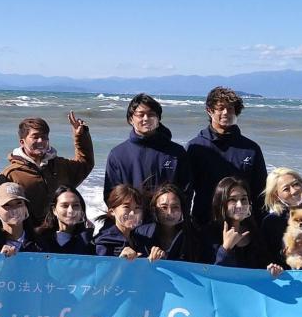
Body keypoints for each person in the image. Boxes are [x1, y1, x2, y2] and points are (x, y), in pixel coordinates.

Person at [0, 113, 94, 225]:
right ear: (22, 142)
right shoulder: (11, 174)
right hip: (30, 238)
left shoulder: (60, 165)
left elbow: (85, 164)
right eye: (35, 137)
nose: (41, 140)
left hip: (61, 234)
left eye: (45, 137)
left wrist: (80, 136)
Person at [187, 87, 267, 224]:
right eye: (220, 108)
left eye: (230, 109)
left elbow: (261, 193)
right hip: (205, 223)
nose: (226, 113)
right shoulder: (196, 147)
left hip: (242, 223)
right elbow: (186, 191)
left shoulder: (251, 149)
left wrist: (261, 225)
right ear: (209, 110)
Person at [103, 93, 193, 203]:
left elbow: (186, 192)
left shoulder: (176, 152)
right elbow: (111, 195)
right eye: (140, 115)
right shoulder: (118, 154)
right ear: (131, 119)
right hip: (132, 217)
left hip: (168, 217)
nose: (146, 118)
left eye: (151, 114)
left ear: (158, 119)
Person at [209, 177, 282, 276]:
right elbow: (211, 276)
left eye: (244, 199)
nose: (240, 205)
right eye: (232, 200)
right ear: (221, 203)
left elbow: (265, 263)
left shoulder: (254, 231)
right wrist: (225, 249)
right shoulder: (209, 234)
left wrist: (272, 269)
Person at [131, 183, 211, 263]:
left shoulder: (194, 237)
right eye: (164, 207)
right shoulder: (140, 234)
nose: (169, 212)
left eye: (175, 207)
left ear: (182, 210)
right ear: (154, 210)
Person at [0, 183, 42, 257]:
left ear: (26, 207)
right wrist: (0, 260)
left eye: (19, 203)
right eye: (7, 205)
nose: (14, 209)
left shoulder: (41, 242)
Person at [35, 185, 94, 255]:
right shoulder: (39, 238)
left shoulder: (91, 241)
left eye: (76, 205)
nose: (70, 211)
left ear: (82, 210)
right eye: (65, 206)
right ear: (54, 210)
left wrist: (85, 237)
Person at [94, 184, 145, 259]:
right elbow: (100, 270)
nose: (132, 213)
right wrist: (120, 260)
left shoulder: (141, 240)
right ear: (112, 211)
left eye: (137, 208)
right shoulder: (104, 242)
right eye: (126, 207)